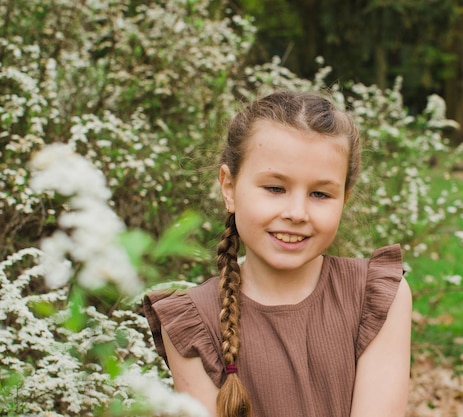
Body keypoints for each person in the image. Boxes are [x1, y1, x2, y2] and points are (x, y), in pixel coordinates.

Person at [144, 90, 412, 417]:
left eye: (320, 193)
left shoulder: (377, 296)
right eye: (275, 188)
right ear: (229, 188)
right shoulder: (192, 323)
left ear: (344, 198)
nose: (297, 212)